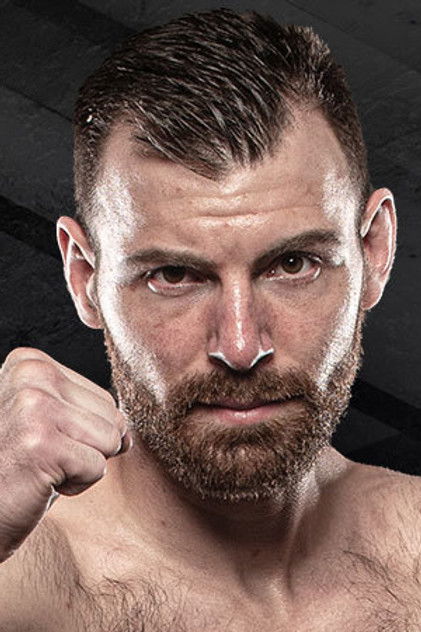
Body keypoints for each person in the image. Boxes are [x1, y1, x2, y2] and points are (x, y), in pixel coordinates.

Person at [0, 7, 419, 630]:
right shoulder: (24, 575)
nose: (241, 346)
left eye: (293, 264)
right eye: (174, 275)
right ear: (85, 279)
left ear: (375, 253)